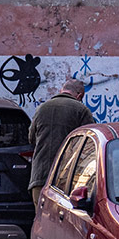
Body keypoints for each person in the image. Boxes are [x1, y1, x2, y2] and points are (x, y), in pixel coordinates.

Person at [28, 78, 96, 207]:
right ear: (80, 95)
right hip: (67, 181)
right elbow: (90, 144)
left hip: (40, 177)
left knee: (41, 221)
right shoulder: (81, 110)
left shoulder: (42, 108)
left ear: (61, 90)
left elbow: (31, 139)